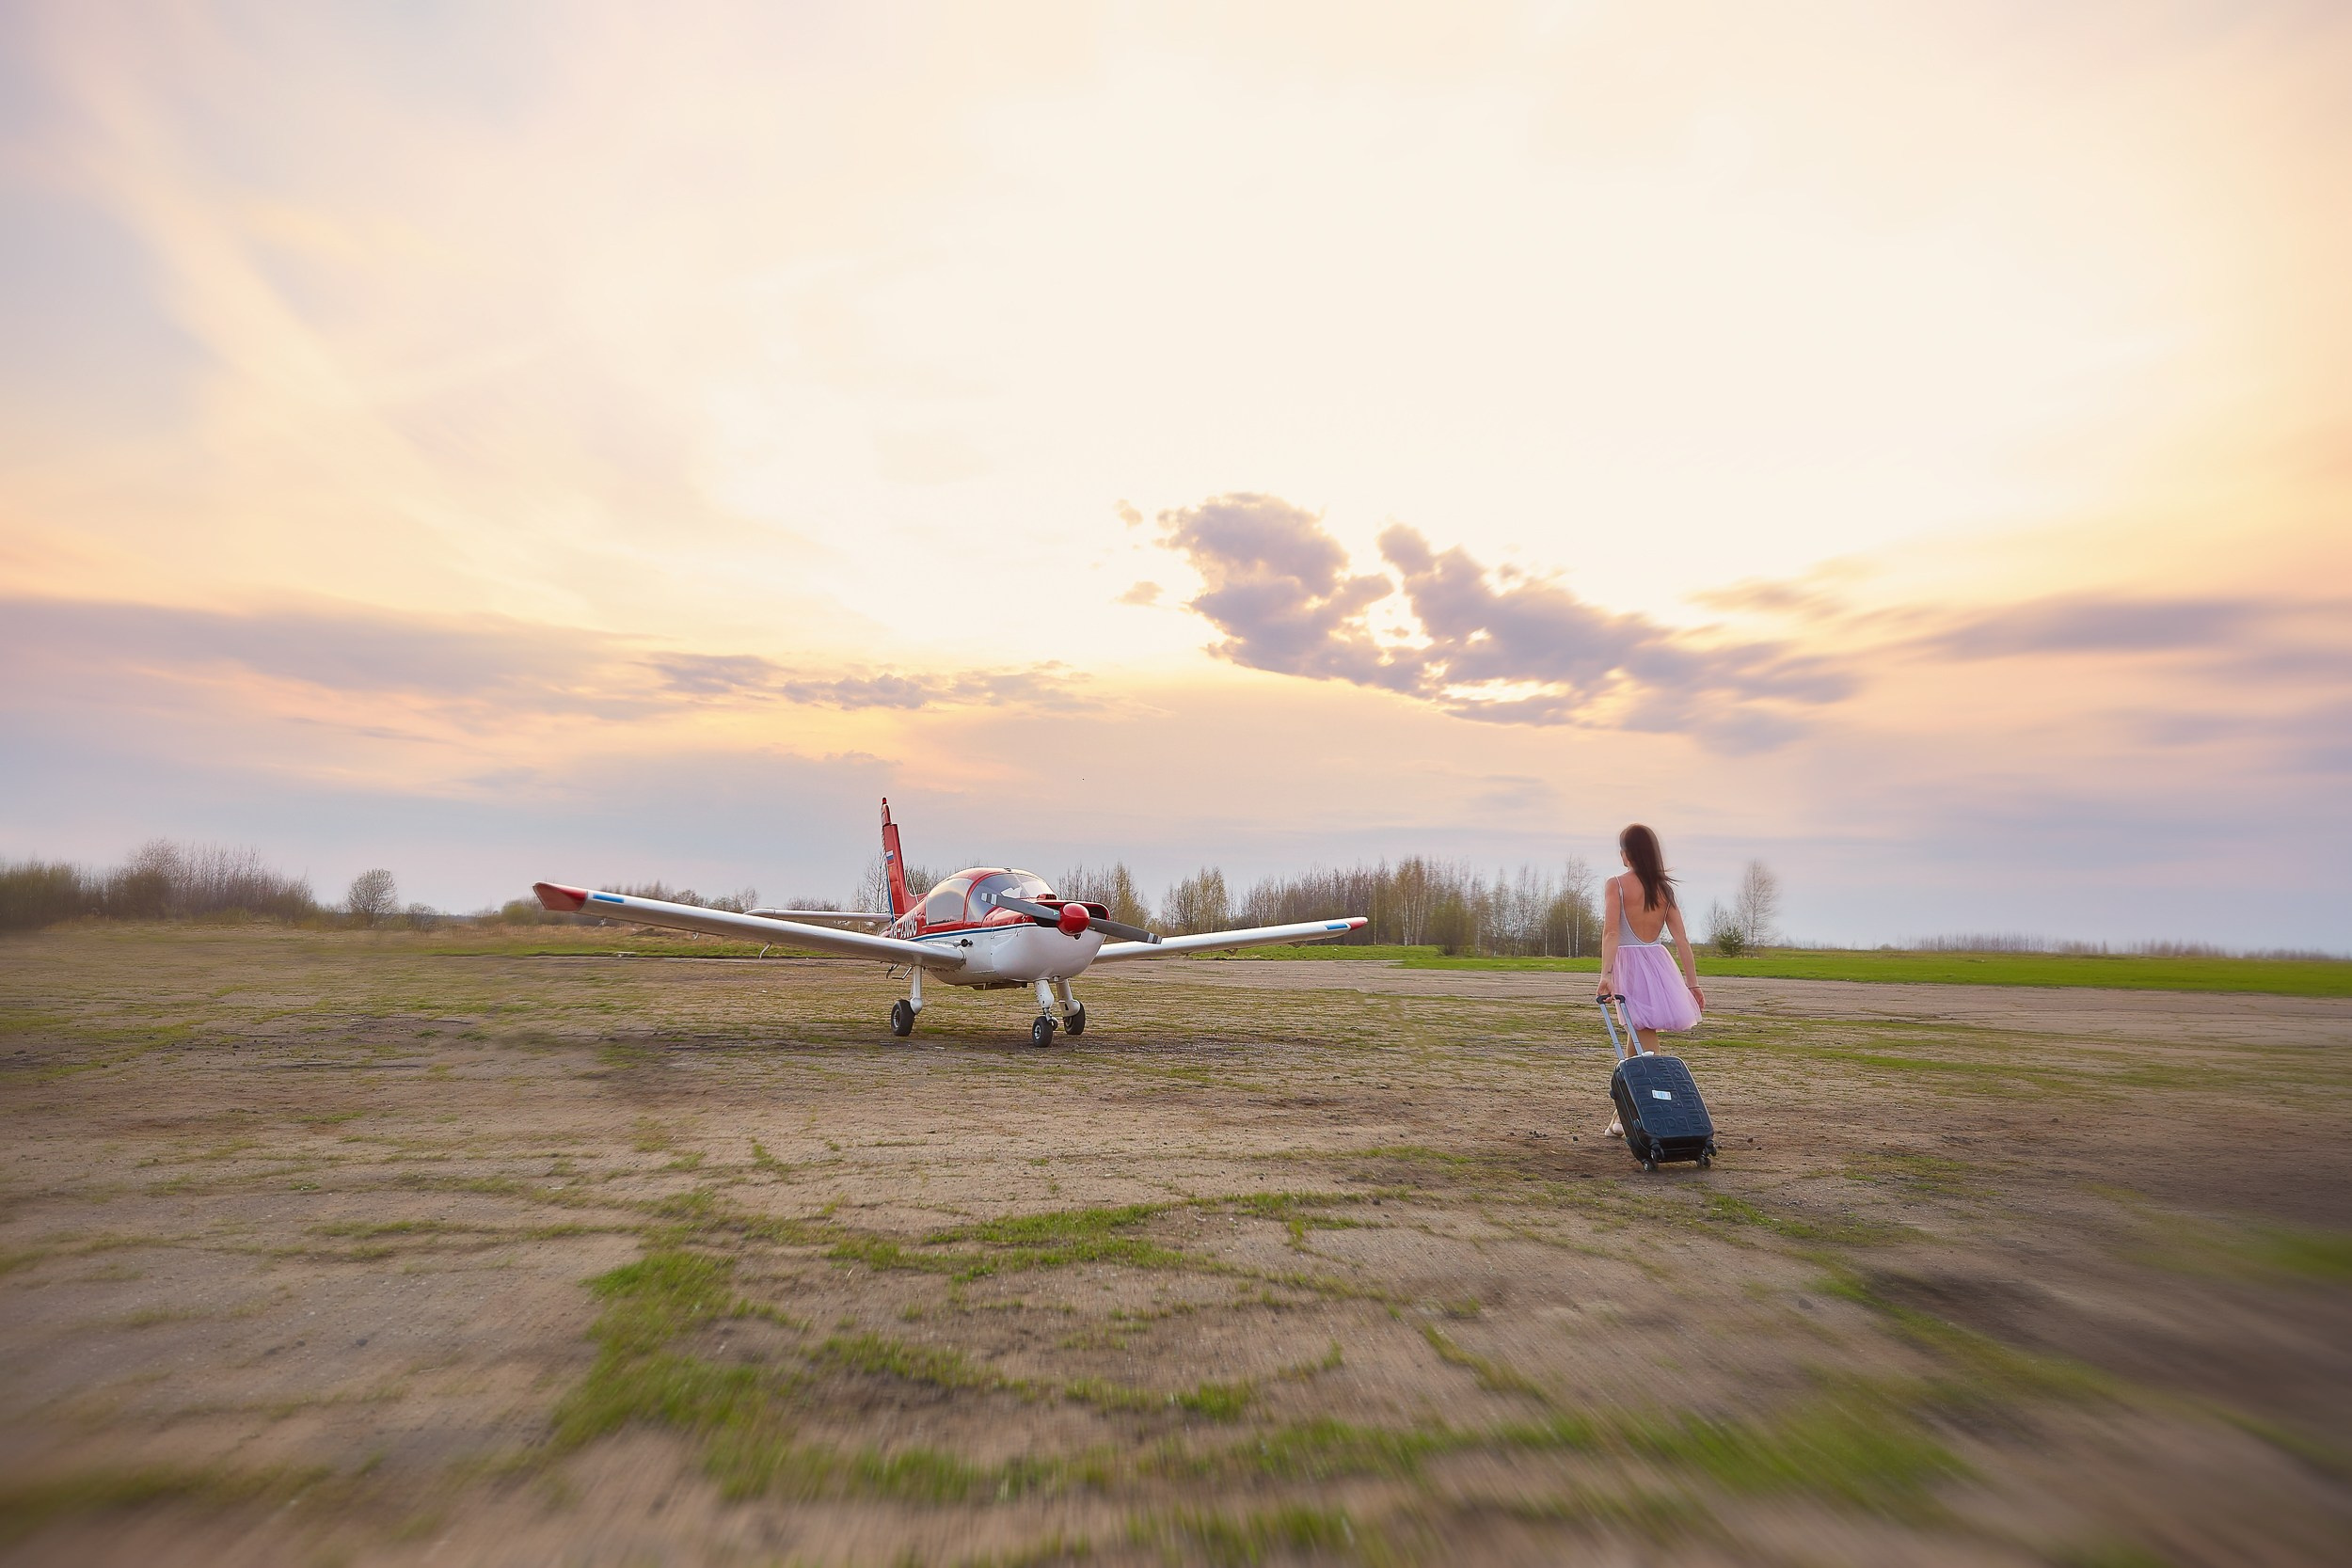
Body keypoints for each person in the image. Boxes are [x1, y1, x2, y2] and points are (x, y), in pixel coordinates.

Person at [1597, 823, 1705, 1137]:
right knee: (1639, 1033)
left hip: (1630, 967)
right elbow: (1682, 940)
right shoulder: (1664, 889)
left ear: (1627, 853)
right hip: (1659, 965)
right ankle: (1619, 1118)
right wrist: (1693, 983)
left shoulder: (1616, 884)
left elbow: (1612, 932)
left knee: (1644, 1040)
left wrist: (1605, 975)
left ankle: (1646, 1112)